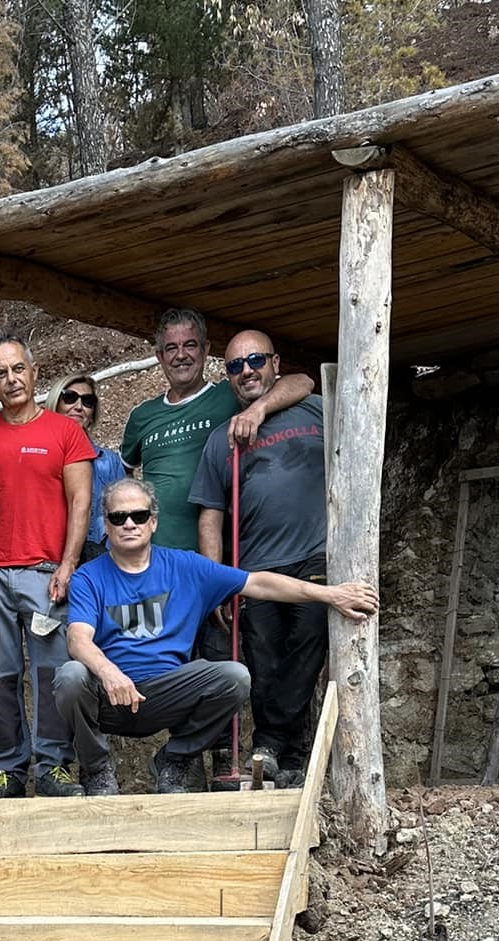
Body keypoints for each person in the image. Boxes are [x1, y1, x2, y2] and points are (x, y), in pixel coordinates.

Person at [53, 478, 378, 796]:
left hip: (169, 692)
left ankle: (174, 758)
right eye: (117, 517)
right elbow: (78, 639)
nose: (129, 524)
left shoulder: (185, 567)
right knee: (71, 676)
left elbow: (259, 583)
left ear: (153, 522)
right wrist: (110, 674)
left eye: (138, 516)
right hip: (110, 696)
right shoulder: (88, 577)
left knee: (234, 677)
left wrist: (331, 594)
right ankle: (96, 769)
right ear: (106, 526)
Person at [189, 327, 329, 786]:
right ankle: (290, 761)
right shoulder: (221, 440)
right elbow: (210, 515)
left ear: (274, 362)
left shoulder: (316, 409)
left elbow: (306, 379)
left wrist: (261, 407)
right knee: (264, 657)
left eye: (255, 361)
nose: (246, 371)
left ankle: (270, 741)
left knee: (309, 640)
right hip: (256, 567)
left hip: (316, 555)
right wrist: (217, 581)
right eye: (234, 366)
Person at [0, 335, 96, 799]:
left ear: (33, 371)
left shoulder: (65, 432)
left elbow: (80, 502)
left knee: (51, 673)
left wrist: (67, 566)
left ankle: (53, 767)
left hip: (46, 572)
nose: (11, 380)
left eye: (18, 369)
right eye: (1, 373)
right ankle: (9, 768)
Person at [121, 309, 314, 553]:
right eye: (171, 348)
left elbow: (303, 382)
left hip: (220, 551)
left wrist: (258, 410)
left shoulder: (231, 394)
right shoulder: (142, 415)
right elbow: (122, 472)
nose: (181, 355)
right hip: (156, 554)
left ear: (205, 349)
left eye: (190, 345)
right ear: (160, 356)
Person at [46, 369, 126, 560]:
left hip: (101, 561)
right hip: (47, 561)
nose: (79, 406)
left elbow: (125, 515)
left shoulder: (109, 462)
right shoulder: (38, 455)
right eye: (70, 398)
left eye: (87, 401)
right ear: (55, 402)